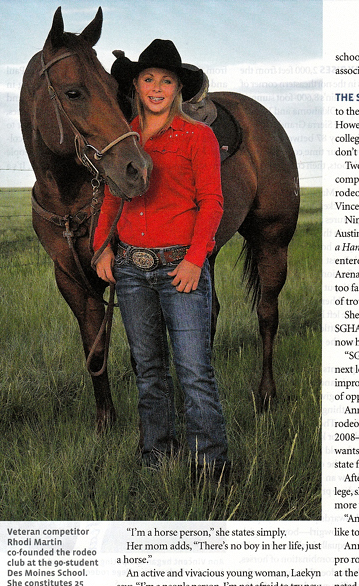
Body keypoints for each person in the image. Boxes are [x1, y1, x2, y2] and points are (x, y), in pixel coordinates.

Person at [93, 40, 229, 480]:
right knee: (148, 370)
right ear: (136, 84)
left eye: (166, 81)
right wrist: (102, 246)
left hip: (179, 267)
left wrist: (195, 260)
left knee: (193, 372)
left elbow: (212, 204)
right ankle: (157, 456)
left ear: (177, 89)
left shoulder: (198, 136)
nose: (156, 87)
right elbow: (114, 197)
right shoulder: (126, 135)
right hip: (132, 269)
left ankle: (210, 468)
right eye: (148, 78)